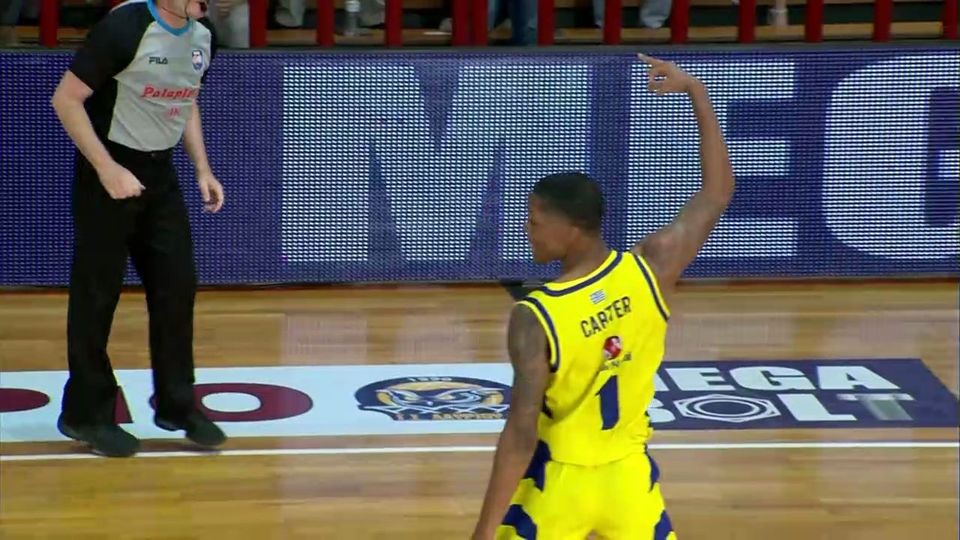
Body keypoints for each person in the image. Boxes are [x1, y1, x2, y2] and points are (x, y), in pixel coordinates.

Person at [472, 54, 736, 539]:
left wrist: (484, 531)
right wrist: (697, 92)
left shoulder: (537, 315)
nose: (527, 230)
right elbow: (717, 193)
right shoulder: (651, 268)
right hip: (627, 481)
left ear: (572, 228)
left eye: (535, 221)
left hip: (560, 485)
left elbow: (521, 434)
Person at [50, 0, 227, 458]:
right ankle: (86, 414)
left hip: (160, 174)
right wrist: (107, 169)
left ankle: (177, 405)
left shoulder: (204, 36)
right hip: (108, 171)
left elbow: (186, 99)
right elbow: (66, 99)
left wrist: (202, 168)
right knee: (96, 296)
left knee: (177, 286)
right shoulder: (125, 28)